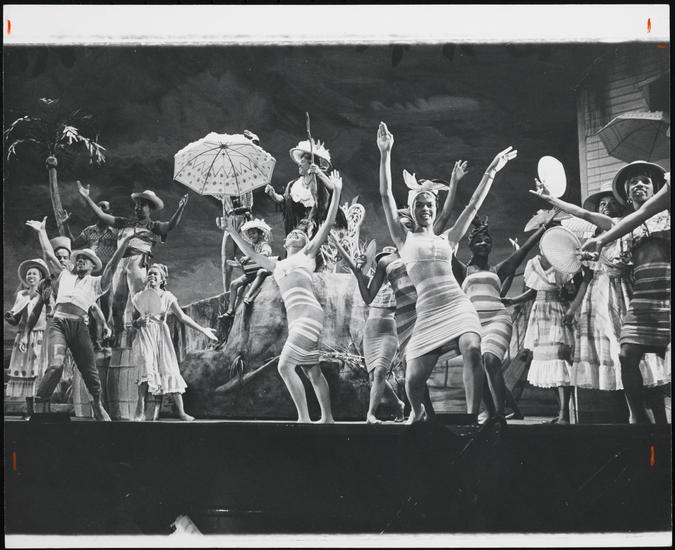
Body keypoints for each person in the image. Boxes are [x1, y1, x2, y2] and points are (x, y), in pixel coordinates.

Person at [377, 121, 517, 422]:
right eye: (420, 205)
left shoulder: (448, 239)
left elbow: (472, 205)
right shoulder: (403, 240)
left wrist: (492, 171)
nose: (426, 209)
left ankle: (471, 418)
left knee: (472, 348)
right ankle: (418, 412)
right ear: (412, 209)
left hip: (457, 305)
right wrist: (385, 153)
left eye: (430, 204)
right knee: (413, 381)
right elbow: (386, 195)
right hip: (428, 313)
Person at [532, 181, 666, 421]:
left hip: (625, 292)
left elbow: (584, 214)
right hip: (599, 296)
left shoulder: (625, 226)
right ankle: (629, 414)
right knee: (614, 354)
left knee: (638, 353)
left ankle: (650, 414)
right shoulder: (595, 236)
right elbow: (583, 217)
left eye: (611, 203)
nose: (606, 207)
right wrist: (552, 200)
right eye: (602, 204)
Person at [226, 169, 344, 423]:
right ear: (285, 242)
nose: (295, 234)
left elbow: (327, 223)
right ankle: (327, 418)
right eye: (292, 233)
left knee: (285, 366)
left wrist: (336, 192)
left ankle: (304, 418)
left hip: (308, 315)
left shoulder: (307, 255)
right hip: (297, 320)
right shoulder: (276, 265)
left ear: (306, 243)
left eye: (300, 234)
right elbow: (251, 253)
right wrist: (232, 231)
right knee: (312, 371)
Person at [580, 162, 670, 423]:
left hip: (668, 293)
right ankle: (638, 417)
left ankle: (661, 419)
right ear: (627, 194)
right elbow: (622, 258)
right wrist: (601, 246)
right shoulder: (627, 224)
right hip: (642, 297)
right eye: (633, 182)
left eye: (645, 181)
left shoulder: (666, 212)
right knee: (626, 354)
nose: (639, 184)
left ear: (656, 187)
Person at [25, 217, 136, 421]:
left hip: (79, 327)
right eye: (79, 258)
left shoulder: (97, 283)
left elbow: (112, 266)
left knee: (89, 370)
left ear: (93, 265)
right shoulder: (65, 275)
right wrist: (41, 231)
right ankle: (40, 403)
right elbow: (49, 255)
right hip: (58, 324)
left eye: (85, 259)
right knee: (55, 366)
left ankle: (96, 404)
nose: (80, 260)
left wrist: (125, 243)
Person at [454, 214, 554, 419]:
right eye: (479, 240)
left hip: (497, 319)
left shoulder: (497, 270)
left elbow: (524, 250)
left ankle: (499, 416)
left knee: (490, 360)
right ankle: (491, 413)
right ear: (471, 245)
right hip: (473, 324)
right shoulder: (463, 271)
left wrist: (544, 228)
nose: (484, 243)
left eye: (487, 241)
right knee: (477, 369)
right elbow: (443, 250)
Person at [76, 181, 189, 340]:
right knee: (117, 304)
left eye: (142, 205)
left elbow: (170, 225)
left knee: (139, 302)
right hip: (120, 263)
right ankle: (119, 338)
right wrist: (87, 197)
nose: (137, 207)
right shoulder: (123, 222)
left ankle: (138, 338)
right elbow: (102, 216)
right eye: (137, 204)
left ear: (150, 208)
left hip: (138, 263)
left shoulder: (153, 226)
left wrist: (180, 208)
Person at [130, 264, 218, 421]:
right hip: (145, 335)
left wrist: (202, 330)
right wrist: (138, 322)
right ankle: (140, 409)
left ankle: (181, 412)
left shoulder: (167, 296)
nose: (152, 276)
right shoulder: (139, 297)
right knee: (146, 367)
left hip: (161, 335)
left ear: (162, 279)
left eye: (155, 274)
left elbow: (182, 317)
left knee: (169, 368)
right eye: (150, 273)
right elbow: (133, 322)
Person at [331, 241, 405, 423]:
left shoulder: (400, 285)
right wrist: (337, 243)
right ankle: (398, 405)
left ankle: (370, 414)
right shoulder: (372, 283)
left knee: (379, 372)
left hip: (389, 331)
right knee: (373, 376)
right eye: (382, 261)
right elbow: (355, 270)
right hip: (371, 333)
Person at [504, 253, 576, 424]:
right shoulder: (534, 263)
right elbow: (534, 291)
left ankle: (565, 414)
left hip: (556, 311)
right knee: (546, 360)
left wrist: (566, 292)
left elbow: (571, 290)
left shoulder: (562, 262)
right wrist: (512, 300)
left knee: (559, 359)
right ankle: (561, 412)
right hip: (539, 314)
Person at [265, 139, 347, 238]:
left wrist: (318, 172)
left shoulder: (322, 181)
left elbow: (334, 190)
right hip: (303, 226)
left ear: (311, 164)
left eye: (302, 162)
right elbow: (285, 199)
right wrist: (273, 195)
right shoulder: (294, 185)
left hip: (323, 224)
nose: (299, 164)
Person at [4, 259, 51, 419]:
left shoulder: (45, 294)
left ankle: (44, 410)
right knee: (27, 373)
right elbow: (16, 318)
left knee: (40, 371)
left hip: (41, 335)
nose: (31, 276)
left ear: (41, 277)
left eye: (34, 274)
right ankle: (30, 411)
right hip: (24, 337)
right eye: (29, 274)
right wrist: (9, 317)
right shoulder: (21, 295)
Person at [69, 199, 119, 345]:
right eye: (98, 209)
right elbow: (74, 243)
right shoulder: (89, 230)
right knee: (90, 304)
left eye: (104, 209)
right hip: (91, 271)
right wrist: (65, 225)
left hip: (107, 272)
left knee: (107, 305)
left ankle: (107, 337)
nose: (100, 212)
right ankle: (92, 339)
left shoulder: (115, 232)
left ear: (109, 213)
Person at [219, 218, 273, 319]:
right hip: (252, 272)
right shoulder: (252, 246)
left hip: (262, 269)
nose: (251, 236)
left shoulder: (264, 244)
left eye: (253, 233)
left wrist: (249, 257)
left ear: (260, 233)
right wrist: (239, 264)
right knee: (234, 284)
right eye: (249, 234)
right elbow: (250, 264)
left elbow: (266, 253)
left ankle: (249, 296)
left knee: (260, 272)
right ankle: (230, 310)